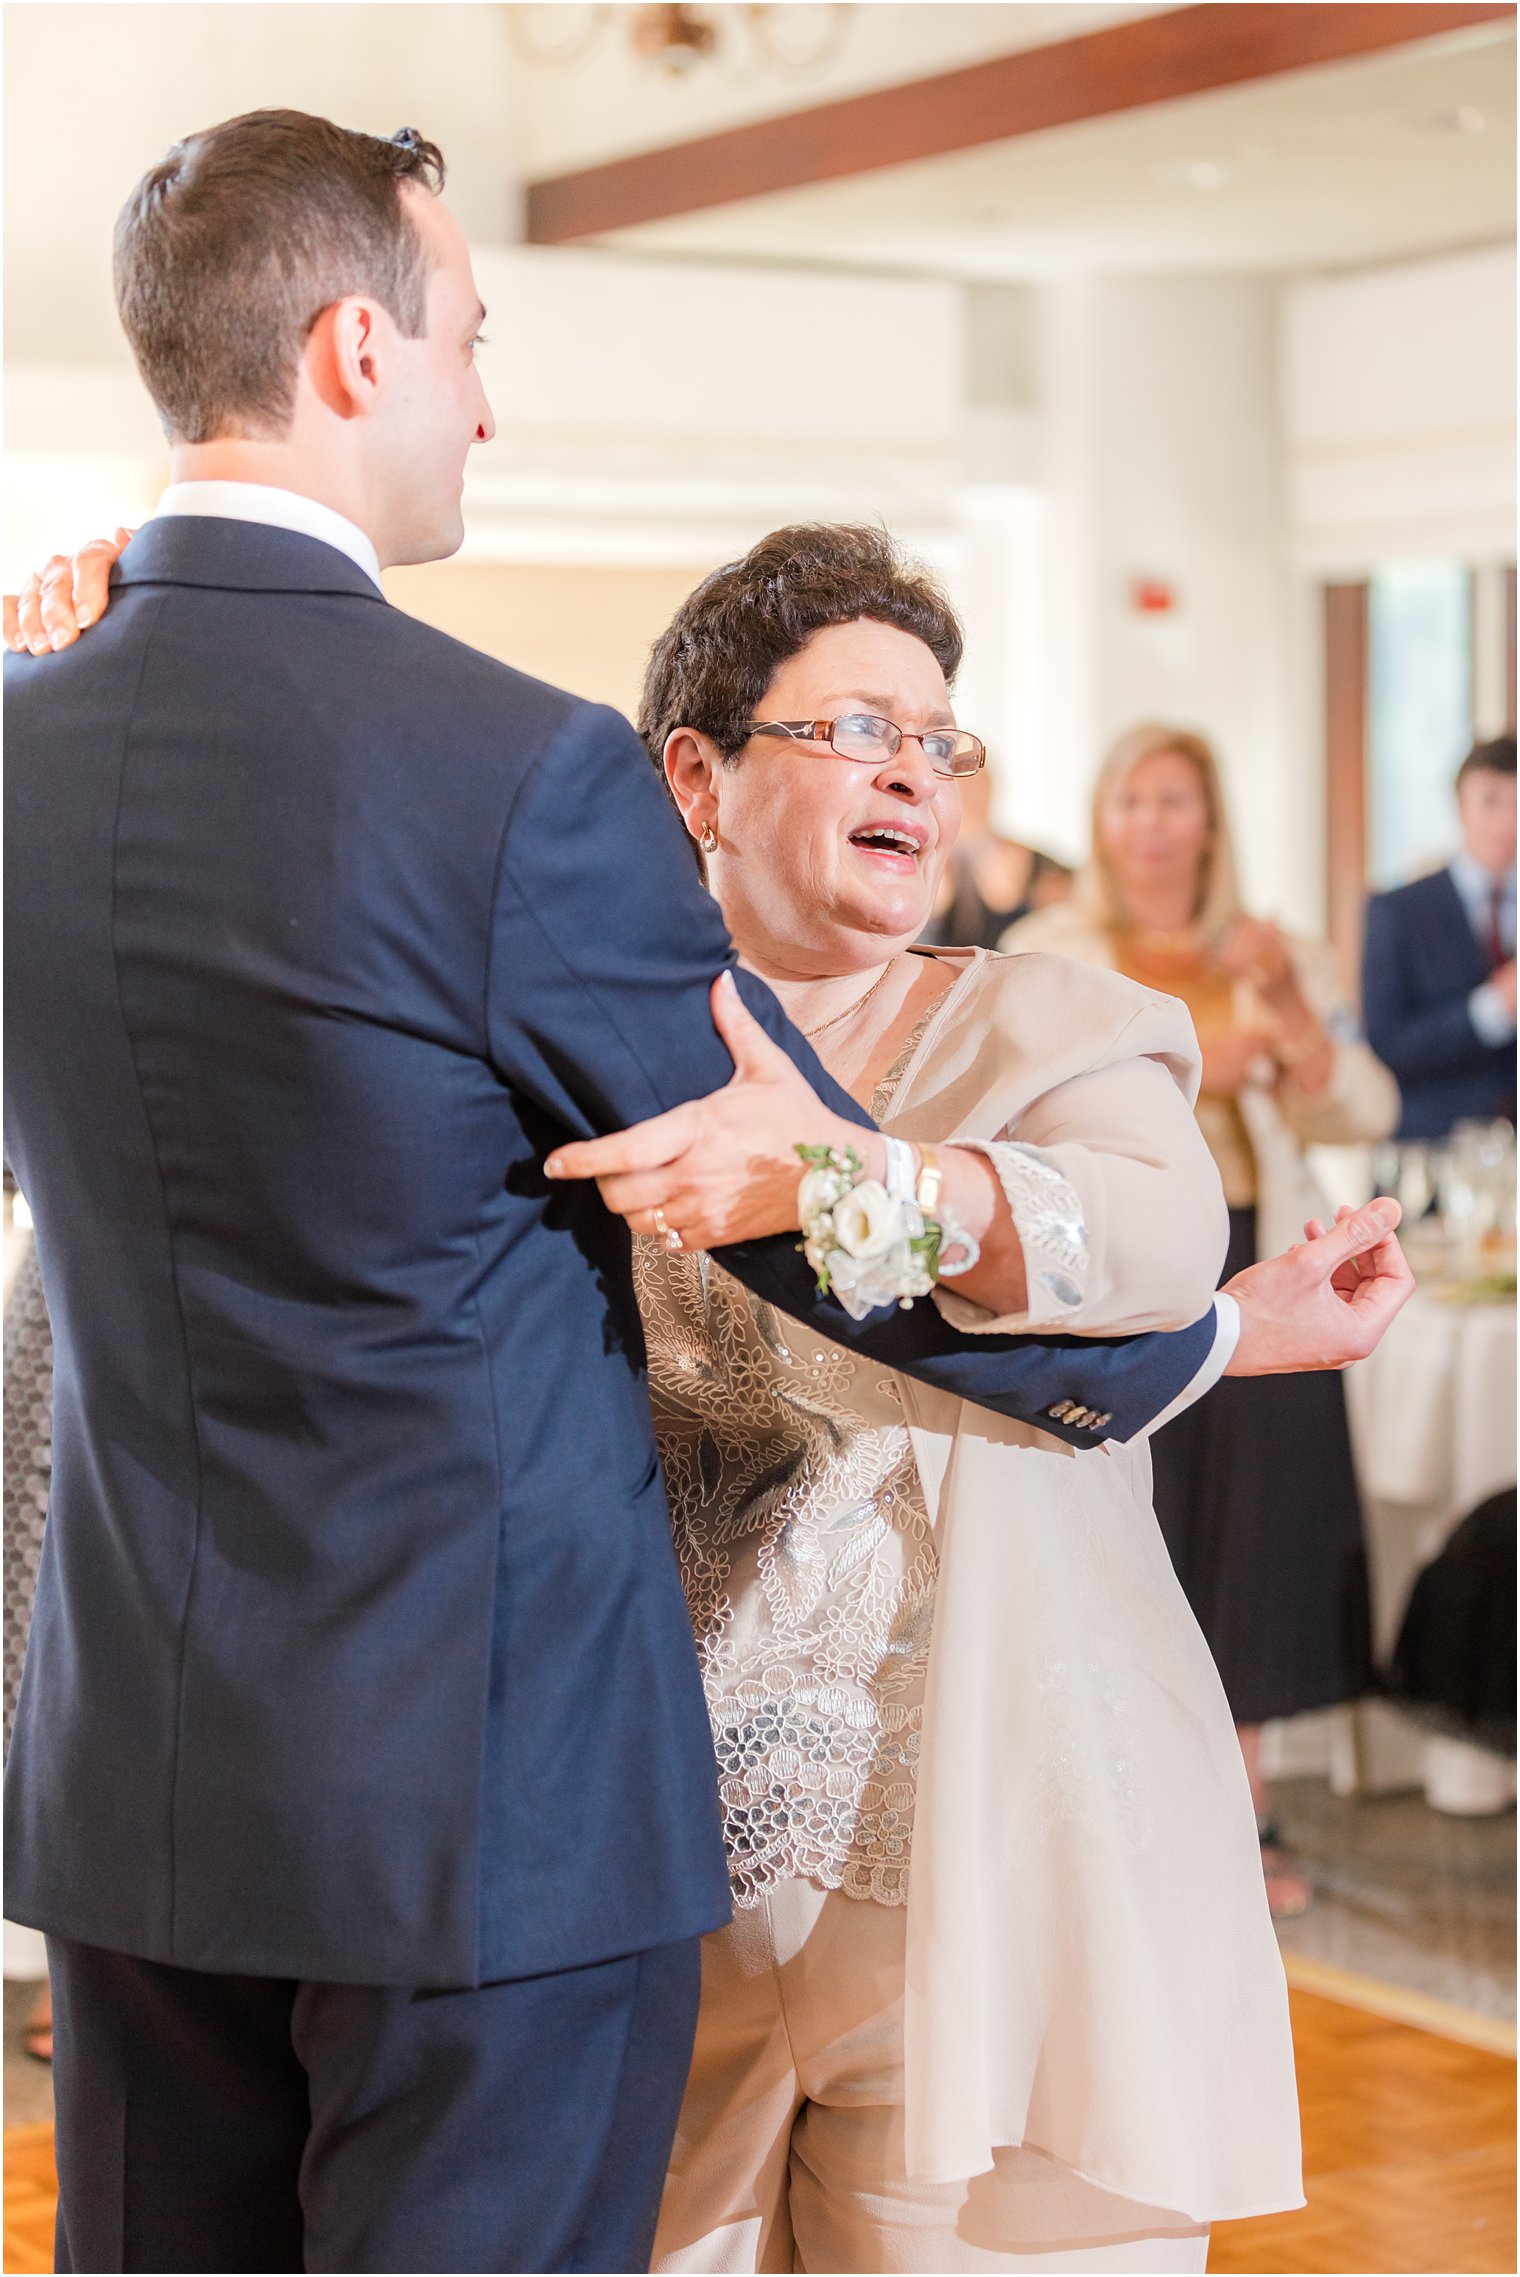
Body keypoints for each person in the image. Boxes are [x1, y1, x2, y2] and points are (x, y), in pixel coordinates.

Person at [4, 112, 1402, 2276]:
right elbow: (797, 1213)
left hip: (139, 1785)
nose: (492, 392)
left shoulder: (22, 725)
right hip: (485, 1805)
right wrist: (1215, 1337)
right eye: (473, 334)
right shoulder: (505, 768)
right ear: (359, 351)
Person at [536, 535, 1413, 2272]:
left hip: (985, 1900)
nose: (911, 772)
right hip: (642, 1900)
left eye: (941, 740)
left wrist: (850, 1182)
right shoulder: (571, 1051)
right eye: (856, 725)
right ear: (694, 774)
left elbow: (1153, 1242)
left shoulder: (1057, 1020)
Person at [1004, 725, 1400, 1916]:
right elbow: (1014, 1103)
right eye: (1129, 800)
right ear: (1101, 817)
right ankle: (1125, 1812)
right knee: (1140, 1531)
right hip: (1127, 1264)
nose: (1150, 824)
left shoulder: (1269, 952)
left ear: (1209, 820)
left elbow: (1360, 1107)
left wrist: (1287, 1013)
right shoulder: (1050, 950)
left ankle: (1246, 1811)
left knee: (1257, 1542)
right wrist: (1195, 1062)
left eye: (1173, 800)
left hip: (1258, 1257)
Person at [1362, 734, 1517, 1138]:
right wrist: (1493, 1008)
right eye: (1491, 800)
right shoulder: (1397, 910)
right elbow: (1386, 1045)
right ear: (1461, 807)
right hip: (1430, 1156)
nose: (1508, 821)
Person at [918, 763, 1073, 948]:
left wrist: (1029, 899)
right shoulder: (917, 858)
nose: (973, 792)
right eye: (965, 782)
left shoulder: (1029, 858)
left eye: (980, 782)